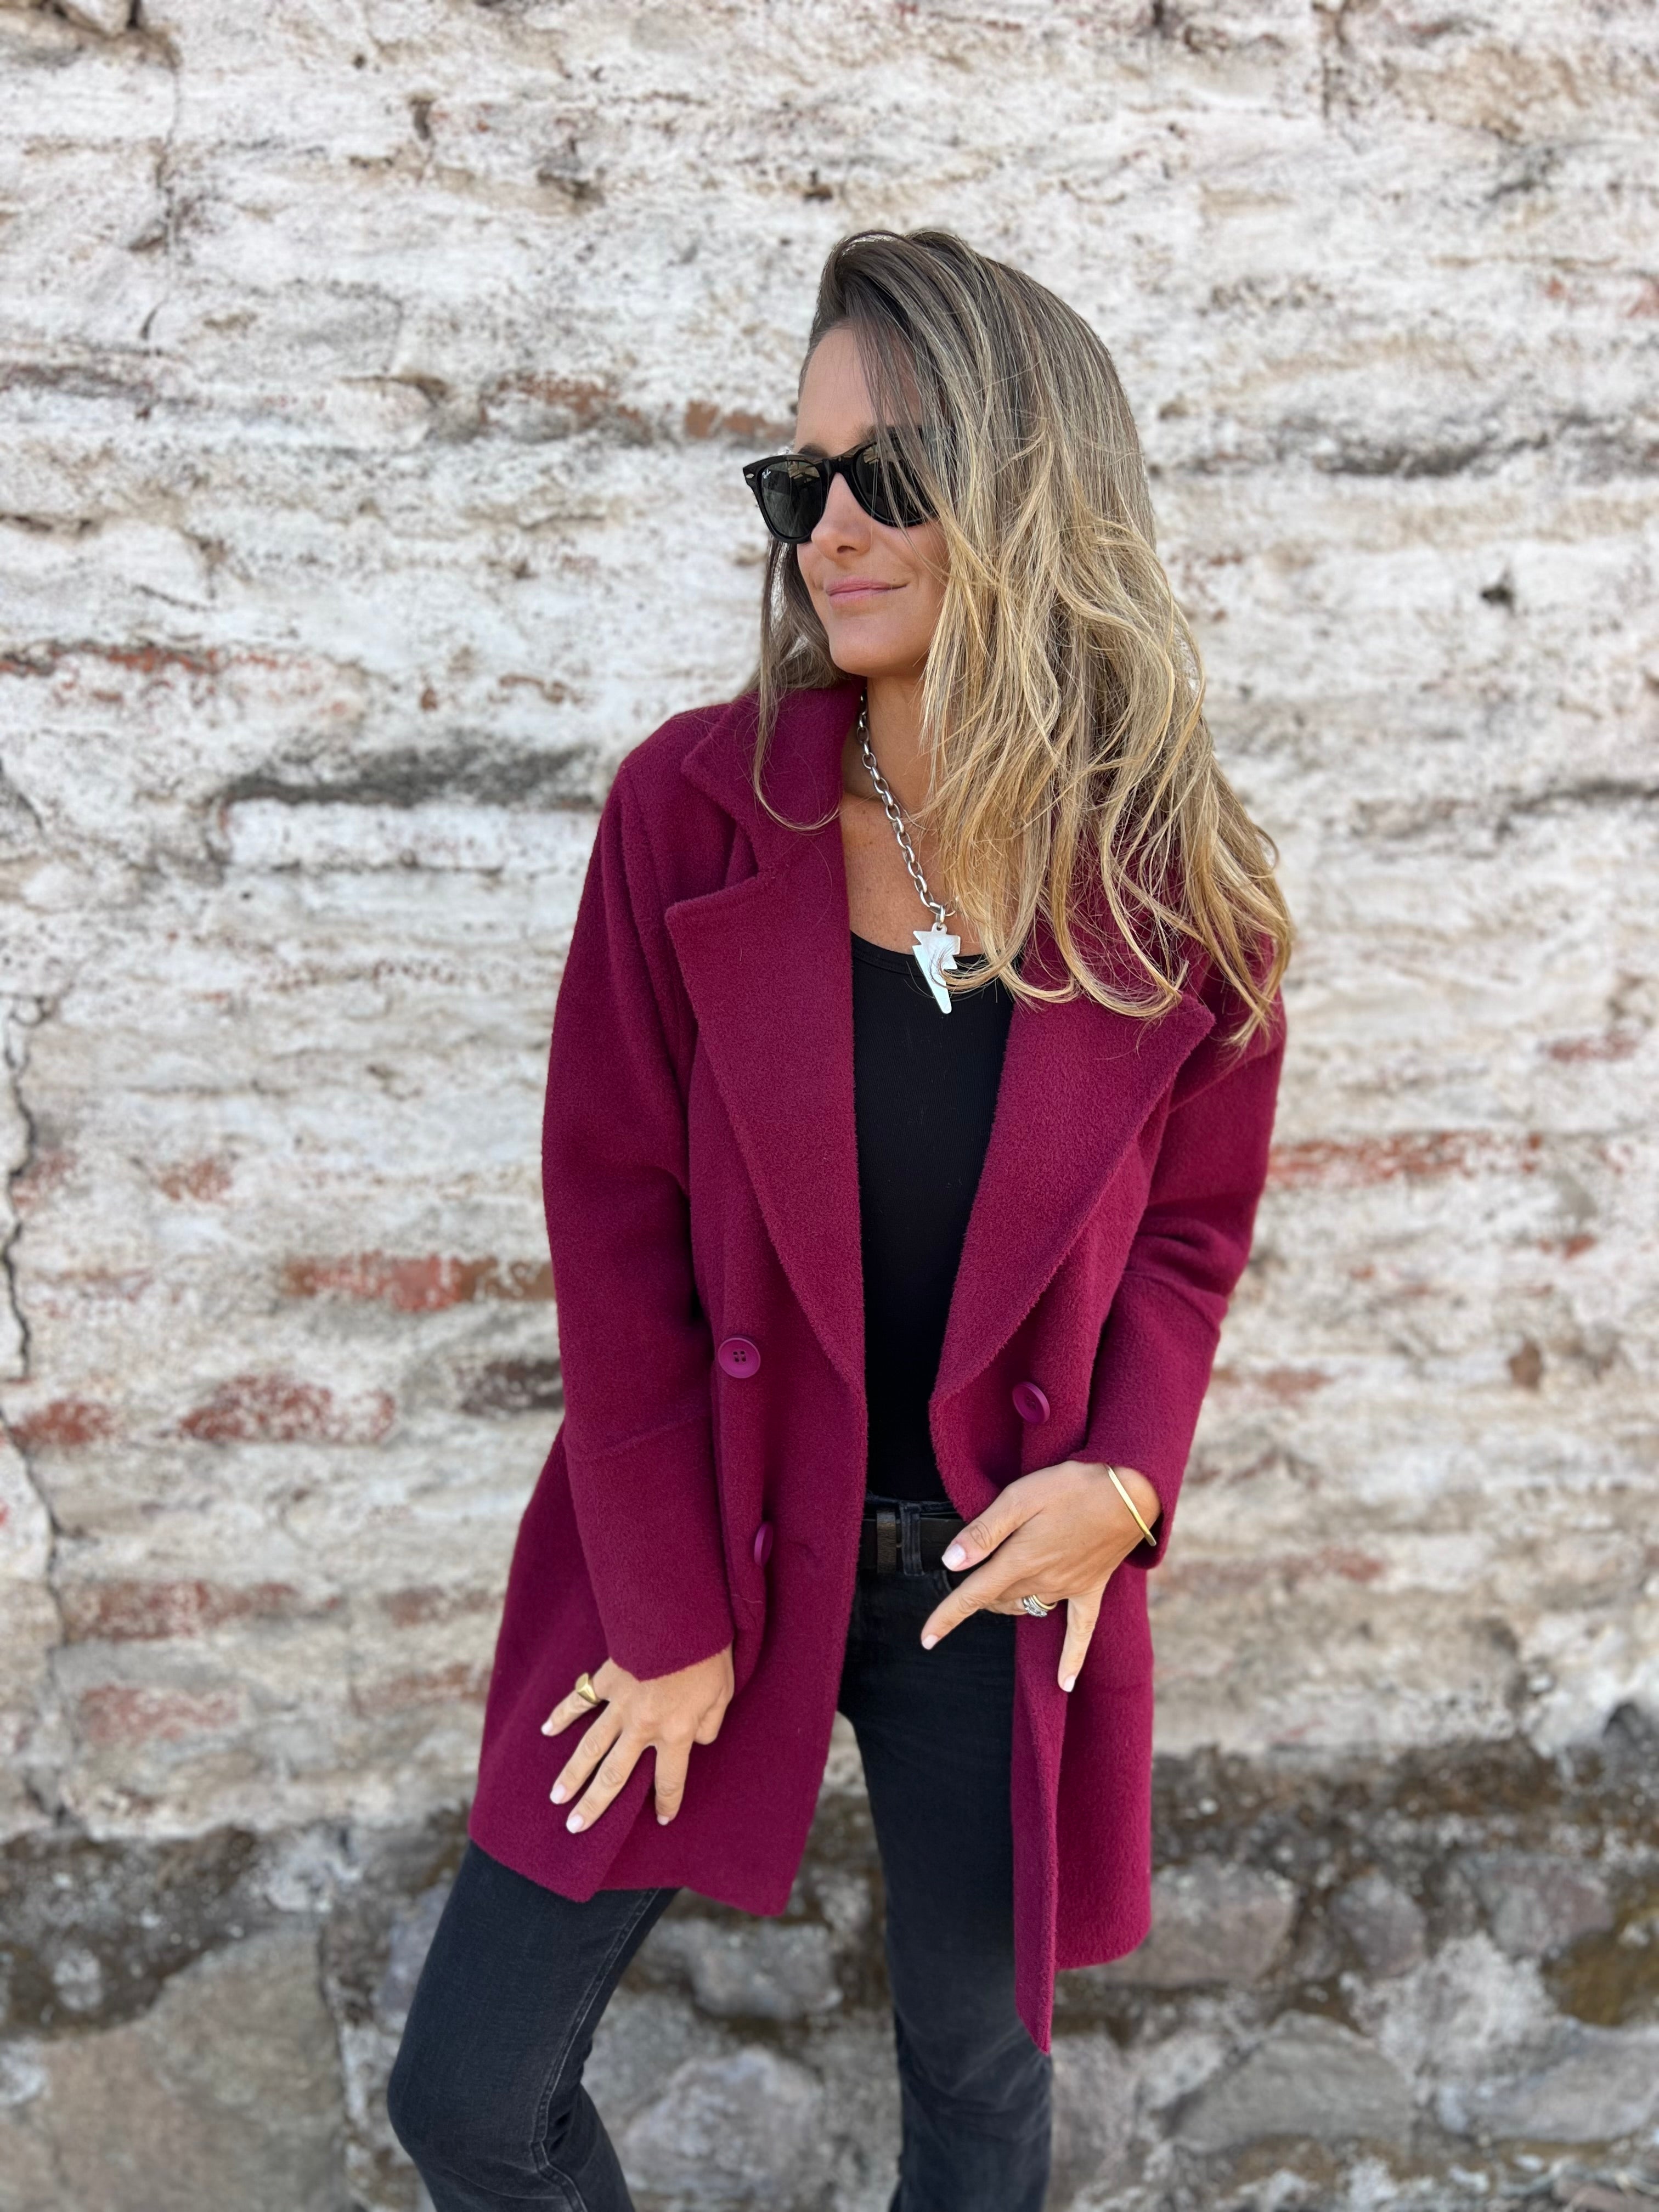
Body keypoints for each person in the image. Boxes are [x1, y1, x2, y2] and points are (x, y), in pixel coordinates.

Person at [387, 226, 1291, 2212]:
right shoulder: (694, 814)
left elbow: (1189, 1238)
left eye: (891, 475)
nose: (834, 531)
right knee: (472, 2095)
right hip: (699, 1534)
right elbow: (613, 1222)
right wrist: (666, 1614)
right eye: (803, 485)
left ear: (1031, 487)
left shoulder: (1173, 889)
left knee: (977, 2084)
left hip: (996, 1571)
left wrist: (1129, 1480)